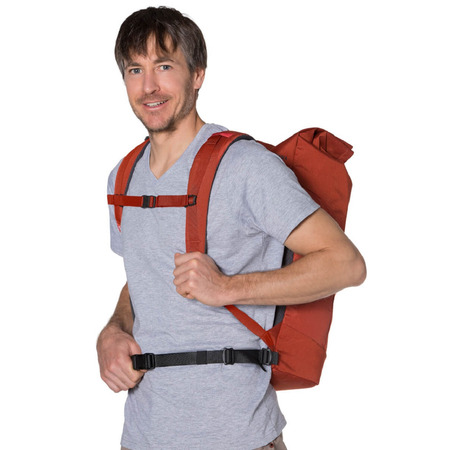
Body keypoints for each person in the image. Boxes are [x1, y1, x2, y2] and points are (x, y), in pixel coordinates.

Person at [97, 6, 366, 450]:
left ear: (197, 74)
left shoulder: (244, 166)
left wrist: (226, 288)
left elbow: (346, 264)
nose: (148, 87)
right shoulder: (122, 177)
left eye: (164, 66)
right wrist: (114, 330)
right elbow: (143, 276)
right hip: (143, 435)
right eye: (135, 70)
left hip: (237, 436)